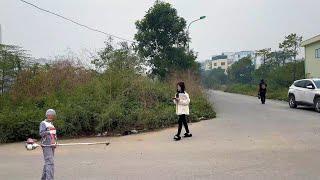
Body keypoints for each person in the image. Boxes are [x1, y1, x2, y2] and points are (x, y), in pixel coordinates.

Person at [39, 109, 57, 180]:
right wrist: (48, 132)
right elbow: (41, 133)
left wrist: (55, 142)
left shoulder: (51, 123)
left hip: (52, 145)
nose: (53, 117)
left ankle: (44, 178)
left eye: (53, 115)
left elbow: (54, 134)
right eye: (52, 115)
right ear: (48, 115)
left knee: (48, 162)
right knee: (50, 162)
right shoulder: (43, 123)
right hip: (46, 145)